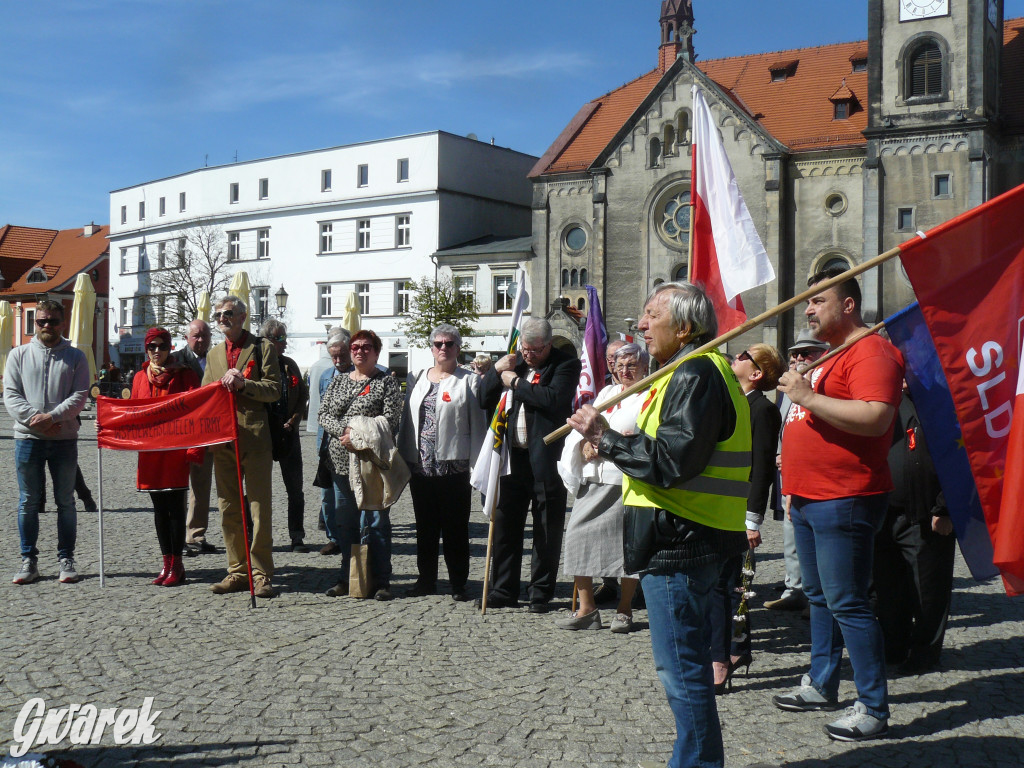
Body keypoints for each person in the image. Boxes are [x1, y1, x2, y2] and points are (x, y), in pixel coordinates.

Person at [567, 282, 750, 768]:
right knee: (684, 668)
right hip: (687, 535)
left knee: (682, 671)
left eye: (651, 316)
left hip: (681, 542)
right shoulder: (689, 372)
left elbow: (670, 462)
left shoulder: (694, 372)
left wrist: (604, 438)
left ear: (685, 326)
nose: (641, 325)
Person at [773, 267, 904, 742]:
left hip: (845, 496)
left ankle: (872, 706)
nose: (808, 309)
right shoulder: (833, 354)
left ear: (848, 305)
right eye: (808, 302)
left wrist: (806, 394)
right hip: (810, 497)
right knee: (819, 597)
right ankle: (822, 681)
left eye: (818, 301)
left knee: (848, 601)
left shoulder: (871, 350)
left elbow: (875, 417)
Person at [478, 318, 581, 613]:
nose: (529, 355)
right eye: (526, 348)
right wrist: (497, 371)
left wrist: (515, 382)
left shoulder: (565, 364)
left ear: (548, 345)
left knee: (546, 529)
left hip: (546, 460)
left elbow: (552, 399)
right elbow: (483, 399)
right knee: (505, 526)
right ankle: (502, 589)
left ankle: (540, 592)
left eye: (535, 350)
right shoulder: (514, 360)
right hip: (510, 459)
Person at [555, 342, 648, 633]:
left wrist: (610, 444)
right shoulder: (607, 393)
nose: (624, 371)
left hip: (625, 480)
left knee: (627, 546)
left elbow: (646, 436)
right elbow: (583, 426)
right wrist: (583, 444)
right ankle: (587, 608)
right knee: (577, 537)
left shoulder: (650, 394)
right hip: (594, 477)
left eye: (631, 365)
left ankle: (624, 609)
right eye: (619, 366)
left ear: (644, 366)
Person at [708, 343, 784, 692]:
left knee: (727, 587)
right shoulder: (732, 400)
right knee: (725, 584)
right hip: (718, 505)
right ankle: (738, 648)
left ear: (756, 373)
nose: (735, 356)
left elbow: (762, 468)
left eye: (743, 355)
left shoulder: (762, 410)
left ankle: (723, 656)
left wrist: (752, 519)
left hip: (739, 510)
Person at [5, 299, 90, 585]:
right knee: (28, 502)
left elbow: (80, 396)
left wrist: (53, 417)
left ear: (62, 323)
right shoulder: (17, 355)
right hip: (27, 438)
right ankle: (28, 560)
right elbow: (11, 395)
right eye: (41, 321)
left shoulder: (76, 356)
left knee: (66, 501)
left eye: (52, 321)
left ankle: (66, 558)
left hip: (64, 439)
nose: (46, 326)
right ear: (35, 323)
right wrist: (36, 420)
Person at [398, 324, 486, 601]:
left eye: (449, 343)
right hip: (421, 464)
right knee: (424, 528)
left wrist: (477, 466)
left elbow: (478, 424)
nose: (443, 348)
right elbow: (405, 421)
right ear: (432, 348)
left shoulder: (469, 380)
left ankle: (459, 582)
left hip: (454, 465)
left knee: (455, 528)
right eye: (438, 343)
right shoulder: (417, 378)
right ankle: (426, 580)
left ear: (458, 348)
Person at [873, 384, 956, 674]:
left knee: (928, 590)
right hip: (882, 511)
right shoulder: (880, 398)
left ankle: (925, 653)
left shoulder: (941, 402)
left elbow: (958, 456)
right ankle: (893, 647)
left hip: (926, 514)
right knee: (888, 589)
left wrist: (946, 507)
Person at [203, 295, 281, 599]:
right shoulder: (213, 354)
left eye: (228, 313)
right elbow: (206, 394)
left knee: (259, 508)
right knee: (228, 509)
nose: (222, 318)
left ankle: (262, 574)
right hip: (224, 440)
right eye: (219, 314)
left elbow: (274, 390)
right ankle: (237, 570)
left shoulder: (262, 348)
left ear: (242, 316)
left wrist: (244, 384)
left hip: (255, 438)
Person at [320, 329, 404, 600]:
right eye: (355, 346)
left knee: (377, 523)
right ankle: (347, 577)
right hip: (340, 463)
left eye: (366, 347)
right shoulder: (338, 382)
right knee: (346, 523)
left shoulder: (386, 383)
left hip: (372, 464)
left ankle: (381, 580)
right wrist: (344, 432)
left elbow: (391, 421)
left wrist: (356, 437)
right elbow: (323, 414)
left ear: (376, 352)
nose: (359, 351)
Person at [131, 327, 202, 586]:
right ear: (147, 349)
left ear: (170, 347)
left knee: (175, 508)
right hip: (150, 453)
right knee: (159, 509)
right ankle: (167, 564)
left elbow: (197, 412)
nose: (157, 351)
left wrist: (194, 449)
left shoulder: (185, 375)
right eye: (152, 347)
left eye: (162, 346)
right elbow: (133, 413)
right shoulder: (140, 377)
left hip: (175, 452)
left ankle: (179, 566)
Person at [765, 331, 828, 612]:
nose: (798, 359)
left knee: (816, 537)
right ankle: (795, 589)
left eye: (806, 354)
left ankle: (818, 598)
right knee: (791, 532)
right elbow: (786, 424)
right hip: (788, 471)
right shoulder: (787, 387)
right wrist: (780, 452)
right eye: (795, 354)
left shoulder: (823, 385)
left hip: (816, 473)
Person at [261, 318, 309, 552]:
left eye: (285, 338)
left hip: (289, 433)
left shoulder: (290, 364)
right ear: (268, 340)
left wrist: (294, 420)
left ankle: (296, 535)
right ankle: (256, 536)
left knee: (295, 489)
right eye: (280, 338)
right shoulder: (256, 365)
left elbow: (302, 396)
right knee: (259, 489)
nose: (285, 343)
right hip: (264, 435)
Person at [171, 319, 217, 556]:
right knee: (178, 487)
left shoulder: (216, 359)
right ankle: (177, 537)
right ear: (187, 337)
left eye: (205, 335)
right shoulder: (176, 361)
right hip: (180, 434)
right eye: (196, 336)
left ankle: (196, 535)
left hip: (206, 432)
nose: (200, 340)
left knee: (201, 486)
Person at [316, 328, 351, 555]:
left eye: (341, 355)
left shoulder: (358, 376)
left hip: (347, 445)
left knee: (344, 498)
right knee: (326, 496)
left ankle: (348, 537)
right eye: (334, 356)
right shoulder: (325, 376)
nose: (338, 361)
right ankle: (333, 537)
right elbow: (321, 412)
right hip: (325, 445)